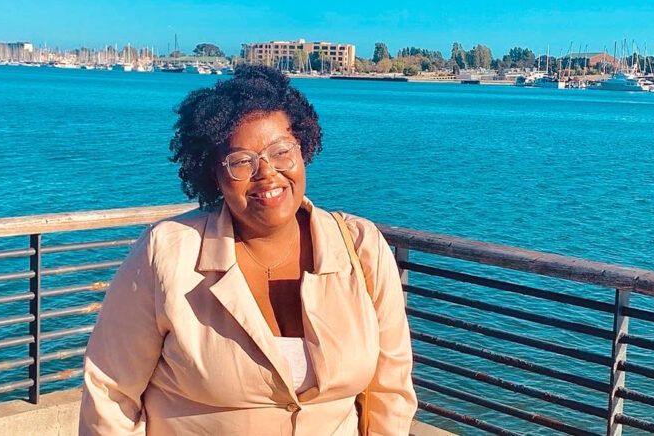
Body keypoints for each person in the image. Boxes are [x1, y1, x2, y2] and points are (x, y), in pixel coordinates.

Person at [79, 65, 416, 435]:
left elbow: (390, 393)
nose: (267, 173)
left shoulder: (362, 249)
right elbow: (110, 393)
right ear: (214, 174)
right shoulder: (166, 252)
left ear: (304, 150)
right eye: (242, 161)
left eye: (281, 151)